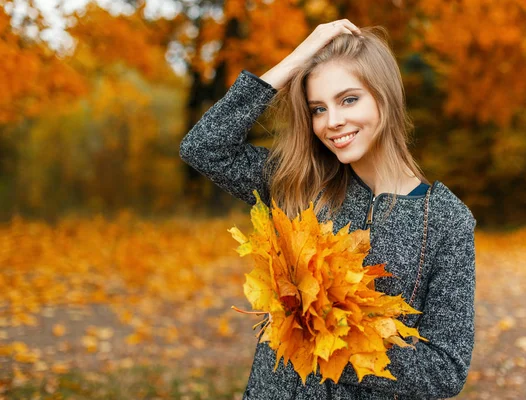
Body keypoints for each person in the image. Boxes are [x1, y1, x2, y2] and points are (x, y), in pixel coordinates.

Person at [180, 20, 476, 400]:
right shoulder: (299, 182)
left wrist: (335, 332)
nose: (332, 121)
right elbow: (204, 146)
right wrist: (297, 59)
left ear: (385, 97)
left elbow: (447, 370)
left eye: (349, 99)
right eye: (318, 108)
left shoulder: (445, 220)